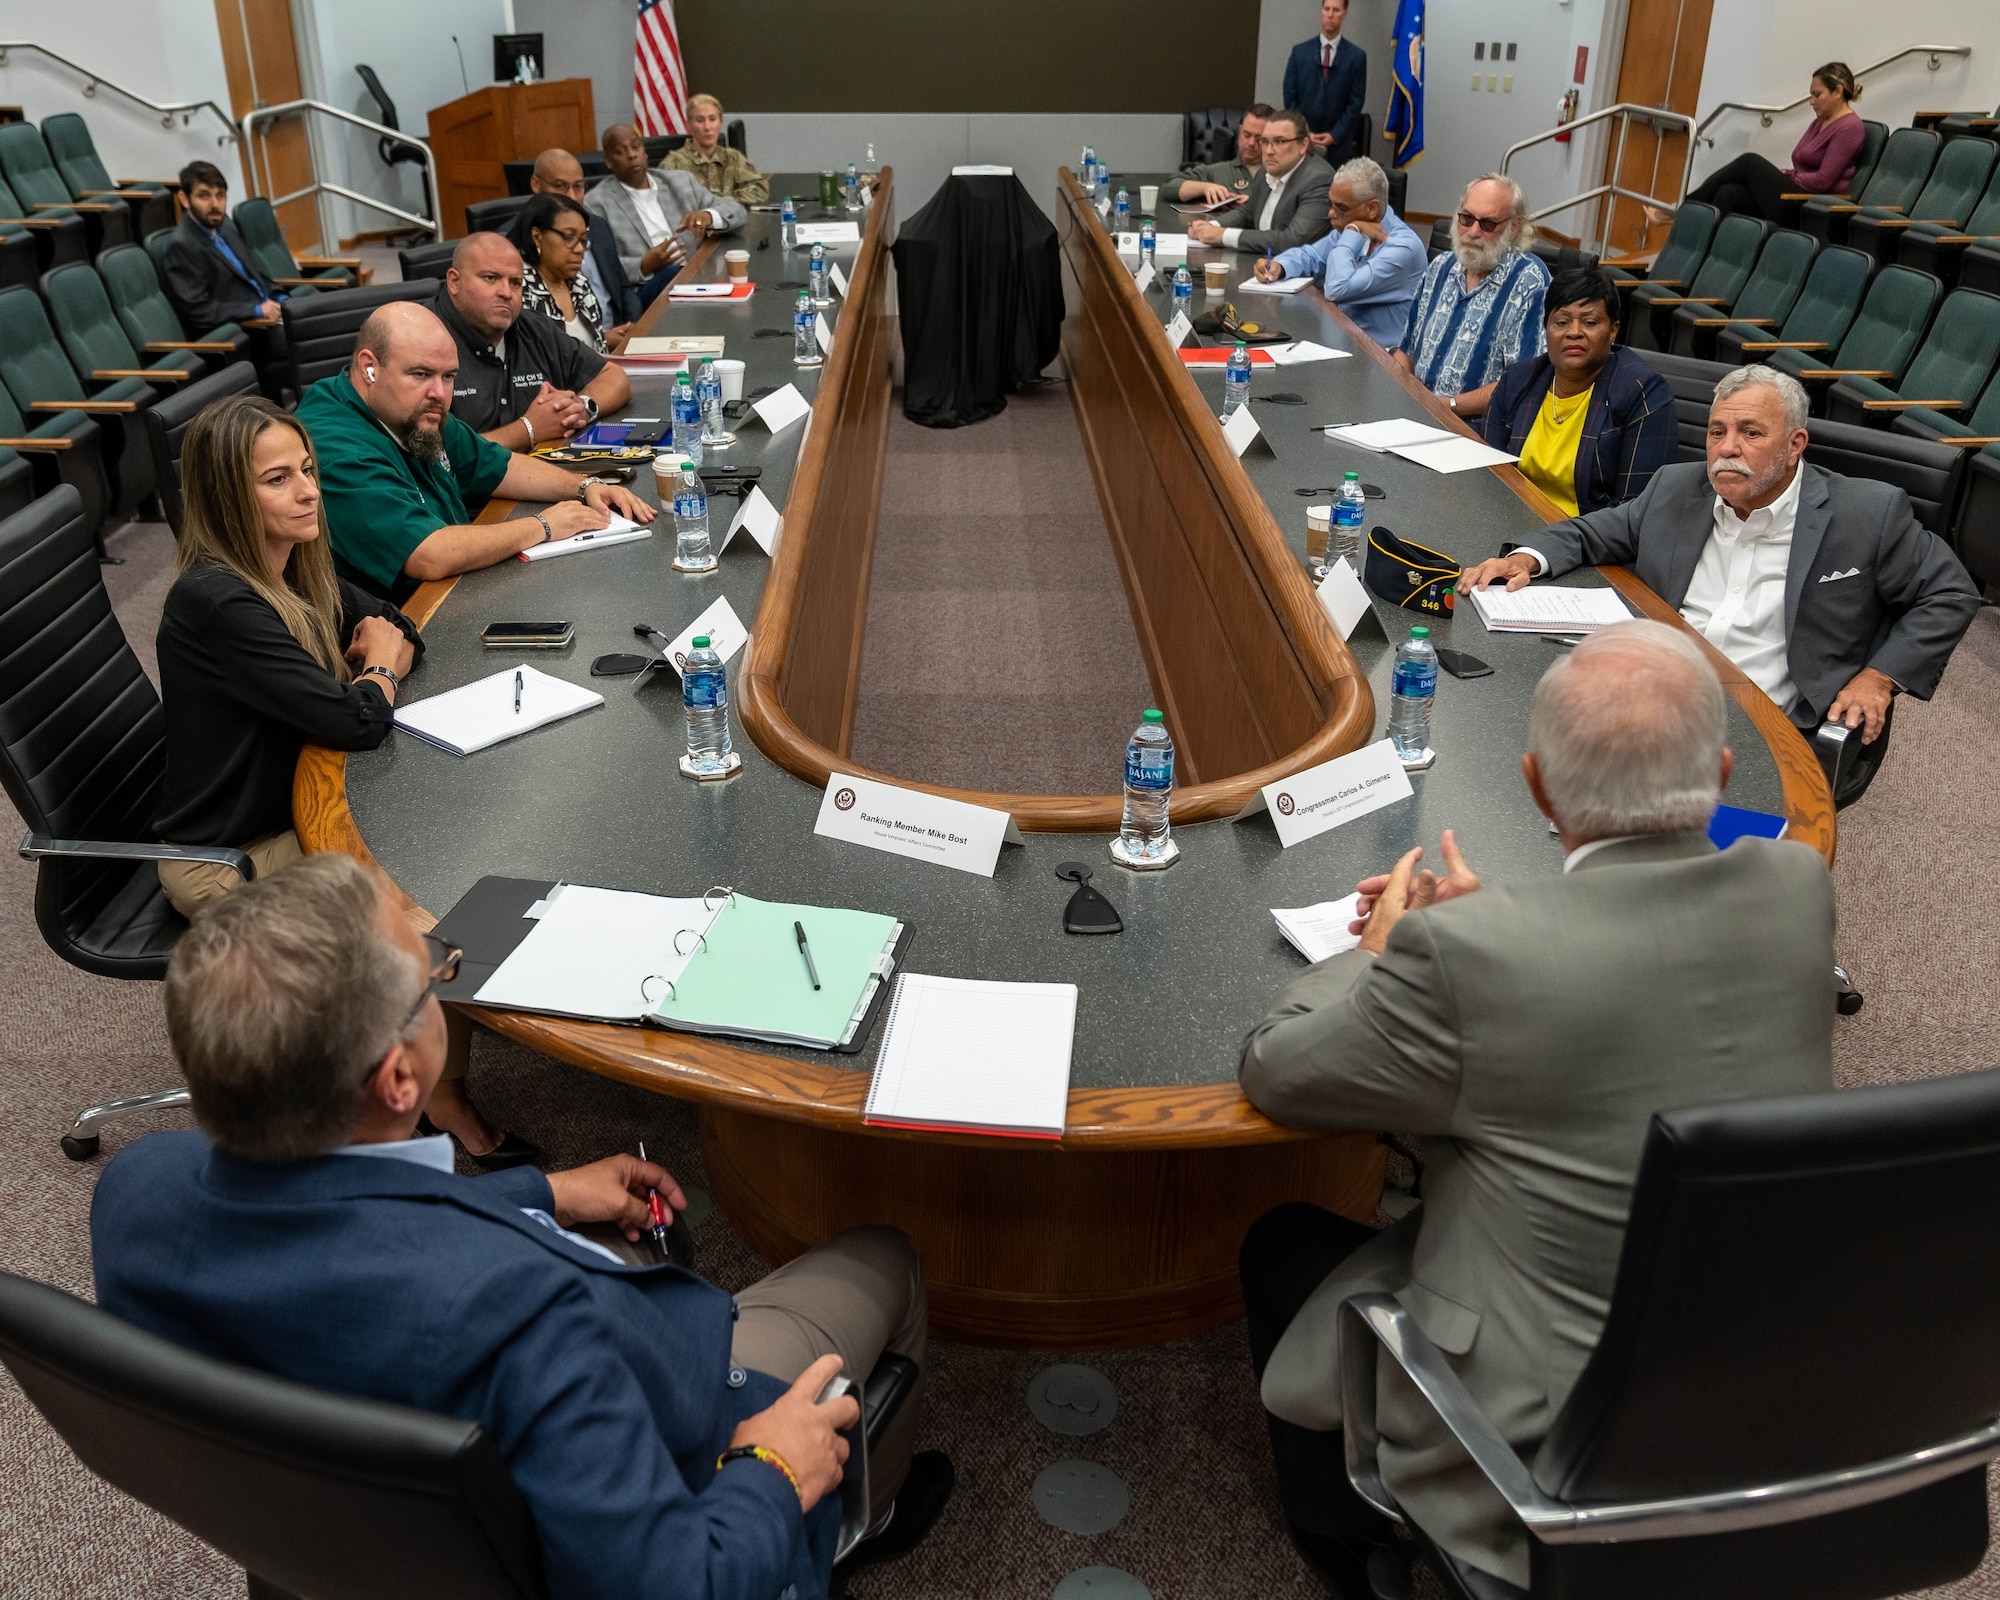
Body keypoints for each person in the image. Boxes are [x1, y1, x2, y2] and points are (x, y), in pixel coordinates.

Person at [91, 852, 955, 1600]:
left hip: (357, 1543)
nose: (440, 971)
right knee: (889, 1258)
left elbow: (341, 1224)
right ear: (401, 1081)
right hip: (704, 1475)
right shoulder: (527, 1326)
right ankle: (852, 1526)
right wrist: (773, 1471)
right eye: (431, 971)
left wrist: (543, 1194)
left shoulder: (135, 1193)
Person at [1237, 619, 1839, 1596]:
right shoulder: (1794, 886)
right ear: (1723, 773)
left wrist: (1387, 950)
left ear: (1531, 785)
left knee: (1278, 1244)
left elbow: (1274, 1071)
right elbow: (1621, 974)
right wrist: (1483, 938)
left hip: (1541, 1449)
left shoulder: (1474, 962)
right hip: (1756, 1382)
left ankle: (1348, 1546)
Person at [150, 393, 519, 1159]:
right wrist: (378, 670)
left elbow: (399, 622)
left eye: (308, 470)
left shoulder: (298, 563)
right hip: (231, 852)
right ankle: (437, 1102)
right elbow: (357, 713)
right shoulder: (216, 599)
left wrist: (377, 667)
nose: (309, 491)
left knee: (447, 850)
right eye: (278, 479)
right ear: (228, 496)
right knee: (424, 915)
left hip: (299, 804)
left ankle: (437, 1084)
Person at [1463, 364, 1980, 805]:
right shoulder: (1675, 487)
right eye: (1717, 432)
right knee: (1515, 754)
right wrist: (1528, 558)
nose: (1727, 449)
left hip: (1768, 725)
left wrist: (1879, 677)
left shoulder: (1865, 513)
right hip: (1652, 696)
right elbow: (1592, 531)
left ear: (1796, 444)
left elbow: (1950, 592)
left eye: (1751, 433)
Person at [294, 301, 654, 605]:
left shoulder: (415, 410)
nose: (439, 392)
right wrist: (544, 526)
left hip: (454, 591)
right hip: (403, 619)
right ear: (369, 367)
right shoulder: (335, 447)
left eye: (449, 377)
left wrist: (584, 485)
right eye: (420, 374)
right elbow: (429, 555)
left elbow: (499, 465)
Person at [1481, 267, 1677, 515]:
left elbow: (1634, 511)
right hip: (1506, 521)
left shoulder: (1643, 393)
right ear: (1546, 328)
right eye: (1561, 322)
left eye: (1590, 322)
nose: (1573, 332)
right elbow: (1486, 475)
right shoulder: (1518, 380)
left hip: (1586, 544)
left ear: (1613, 330)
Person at [437, 232, 631, 452]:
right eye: (490, 278)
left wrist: (582, 407)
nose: (506, 293)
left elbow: (614, 377)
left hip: (543, 472)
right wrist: (529, 429)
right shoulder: (423, 341)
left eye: (516, 283)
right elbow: (435, 457)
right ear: (454, 282)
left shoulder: (533, 328)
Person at [1395, 174, 1551, 420]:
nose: (1473, 232)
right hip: (1417, 414)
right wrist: (1399, 398)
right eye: (1466, 219)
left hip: (1473, 429)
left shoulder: (1528, 282)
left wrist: (1445, 407)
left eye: (1488, 224)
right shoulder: (1440, 267)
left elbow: (1520, 384)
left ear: (1513, 227)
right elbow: (1406, 351)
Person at [1254, 157, 1425, 349]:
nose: (1331, 213)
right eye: (1331, 204)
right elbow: (1311, 255)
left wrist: (1352, 231)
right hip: (1342, 338)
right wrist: (1280, 265)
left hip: (1381, 357)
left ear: (1372, 208)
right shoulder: (1352, 229)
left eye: (1341, 208)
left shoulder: (1401, 248)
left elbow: (1337, 290)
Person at [588, 122, 747, 309]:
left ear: (644, 151)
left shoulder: (680, 181)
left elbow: (737, 211)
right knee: (672, 273)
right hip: (648, 288)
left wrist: (708, 215)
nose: (631, 155)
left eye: (635, 146)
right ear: (608, 161)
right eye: (620, 151)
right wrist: (644, 265)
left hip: (699, 277)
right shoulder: (595, 204)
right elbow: (599, 265)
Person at [1687, 62, 1867, 222]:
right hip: (1795, 195)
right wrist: (1789, 174)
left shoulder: (1850, 127)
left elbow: (1823, 181)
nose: (1812, 101)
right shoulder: (1820, 121)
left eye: (1817, 95)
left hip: (1810, 206)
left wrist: (1789, 176)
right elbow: (1800, 163)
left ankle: (1686, 206)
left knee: (1750, 162)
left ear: (1837, 91)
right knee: (1728, 193)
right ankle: (1704, 250)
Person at [1187, 110, 1334, 255]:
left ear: (1303, 145)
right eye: (1264, 142)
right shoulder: (1268, 168)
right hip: (1262, 262)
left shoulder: (1319, 180)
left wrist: (1222, 235)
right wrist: (1210, 226)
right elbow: (1248, 212)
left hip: (1300, 274)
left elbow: (1292, 240)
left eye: (1279, 141)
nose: (1269, 151)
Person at [526, 148, 642, 331]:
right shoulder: (513, 242)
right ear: (536, 185)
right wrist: (602, 338)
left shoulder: (598, 226)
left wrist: (632, 327)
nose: (572, 196)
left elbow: (623, 287)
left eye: (578, 187)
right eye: (560, 186)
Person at [508, 195, 619, 353]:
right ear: (537, 237)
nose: (579, 249)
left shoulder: (579, 284)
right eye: (569, 237)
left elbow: (600, 354)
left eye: (582, 239)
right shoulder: (518, 290)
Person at [1284, 0, 1368, 168]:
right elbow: (1290, 97)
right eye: (1327, 9)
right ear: (1321, 12)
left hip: (1338, 147)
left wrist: (1334, 134)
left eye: (1336, 10)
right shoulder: (1300, 53)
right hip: (1303, 142)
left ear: (1344, 14)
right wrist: (1305, 130)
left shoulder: (1356, 57)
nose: (1330, 15)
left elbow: (1355, 102)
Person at [659, 93, 769, 204]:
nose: (707, 127)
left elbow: (760, 189)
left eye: (712, 119)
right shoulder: (674, 163)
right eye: (700, 120)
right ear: (689, 125)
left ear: (720, 123)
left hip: (731, 219)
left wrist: (725, 203)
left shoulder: (733, 158)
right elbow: (661, 199)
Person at [1163, 104, 1271, 204]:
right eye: (1246, 135)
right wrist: (1205, 188)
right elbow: (1169, 188)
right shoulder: (1218, 172)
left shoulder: (1280, 174)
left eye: (1259, 138)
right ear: (1240, 131)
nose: (1251, 143)